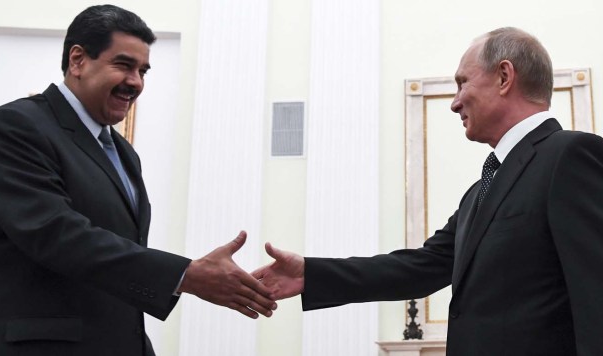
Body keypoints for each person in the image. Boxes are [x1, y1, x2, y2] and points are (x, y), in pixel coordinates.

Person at [253, 27, 603, 355]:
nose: (454, 103)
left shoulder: (570, 156)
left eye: (462, 83)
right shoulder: (479, 193)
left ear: (504, 77)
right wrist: (310, 275)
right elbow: (420, 268)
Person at [0, 5, 275, 356]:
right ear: (78, 60)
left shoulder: (123, 153)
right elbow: (55, 234)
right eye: (124, 65)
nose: (136, 82)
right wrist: (185, 275)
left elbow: (118, 258)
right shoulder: (13, 127)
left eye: (143, 71)